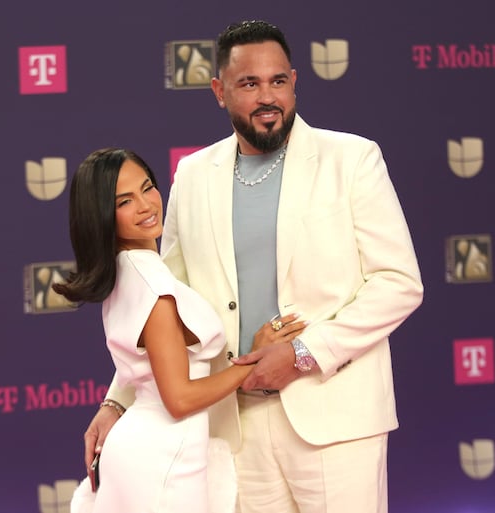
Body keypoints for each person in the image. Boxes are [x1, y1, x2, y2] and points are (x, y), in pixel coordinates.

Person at [88, 20, 424, 513]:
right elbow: (164, 303)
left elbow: (398, 284)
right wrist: (117, 400)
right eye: (249, 84)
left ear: (294, 81)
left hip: (334, 419)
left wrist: (304, 353)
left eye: (278, 81)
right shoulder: (194, 174)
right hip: (233, 425)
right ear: (219, 91)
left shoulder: (351, 159)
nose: (268, 97)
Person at [53, 147, 306, 513]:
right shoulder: (155, 289)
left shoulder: (129, 273)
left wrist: (112, 403)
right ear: (102, 216)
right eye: (125, 201)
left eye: (148, 187)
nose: (146, 205)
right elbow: (179, 399)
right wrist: (254, 361)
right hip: (162, 458)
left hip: (152, 449)